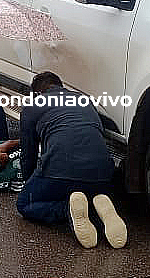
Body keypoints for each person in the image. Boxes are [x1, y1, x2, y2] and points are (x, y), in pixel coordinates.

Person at [17, 72, 127, 249]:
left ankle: (68, 209)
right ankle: (100, 208)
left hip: (61, 170)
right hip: (102, 172)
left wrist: (29, 184)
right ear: (60, 86)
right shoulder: (84, 99)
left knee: (25, 204)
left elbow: (28, 154)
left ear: (37, 93)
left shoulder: (33, 105)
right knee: (84, 188)